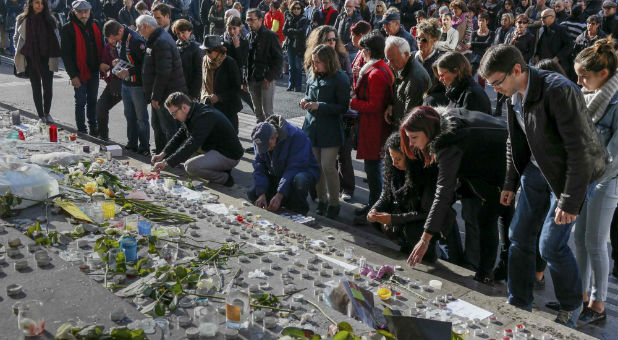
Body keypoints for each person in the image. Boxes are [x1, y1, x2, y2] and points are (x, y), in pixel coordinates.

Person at [479, 44, 606, 327]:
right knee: (518, 236)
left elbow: (580, 150)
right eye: (491, 84)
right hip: (536, 172)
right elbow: (515, 140)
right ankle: (519, 302)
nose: (495, 89)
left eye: (498, 82)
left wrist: (570, 201)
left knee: (550, 246)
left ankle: (571, 305)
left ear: (517, 70)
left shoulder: (558, 90)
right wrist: (510, 181)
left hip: (569, 177)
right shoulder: (512, 94)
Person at [401, 106, 508, 284]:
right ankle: (501, 266)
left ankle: (486, 273)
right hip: (488, 162)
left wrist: (425, 239)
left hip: (501, 166)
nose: (411, 143)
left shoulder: (447, 144)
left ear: (428, 131)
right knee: (497, 216)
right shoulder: (441, 124)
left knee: (490, 217)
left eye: (414, 137)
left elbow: (443, 192)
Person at [572, 37, 618, 325]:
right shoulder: (588, 96)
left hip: (606, 181)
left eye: (583, 76)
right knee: (579, 239)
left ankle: (598, 304)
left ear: (603, 74)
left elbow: (614, 158)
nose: (578, 81)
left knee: (596, 243)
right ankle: (579, 296)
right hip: (585, 178)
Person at [368, 132, 441, 258]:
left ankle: (429, 250)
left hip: (425, 219)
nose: (394, 163)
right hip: (405, 212)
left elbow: (425, 213)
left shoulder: (426, 173)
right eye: (391, 157)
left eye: (399, 159)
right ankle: (405, 243)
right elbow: (386, 195)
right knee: (375, 219)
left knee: (412, 231)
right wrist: (375, 209)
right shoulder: (393, 168)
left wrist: (392, 218)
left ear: (410, 157)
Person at [301, 44, 350, 218]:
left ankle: (334, 204)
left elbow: (343, 107)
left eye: (318, 62)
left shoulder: (340, 78)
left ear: (328, 62)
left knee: (328, 166)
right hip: (312, 127)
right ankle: (322, 200)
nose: (315, 66)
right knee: (316, 168)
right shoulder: (312, 74)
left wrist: (319, 106)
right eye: (313, 62)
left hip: (330, 129)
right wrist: (305, 101)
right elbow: (308, 94)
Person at [151, 92, 242, 186]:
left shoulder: (203, 116)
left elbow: (192, 144)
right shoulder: (192, 111)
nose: (174, 117)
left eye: (174, 113)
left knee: (190, 166)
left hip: (229, 154)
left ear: (184, 107)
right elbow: (179, 136)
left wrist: (166, 162)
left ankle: (224, 178)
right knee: (182, 154)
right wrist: (162, 154)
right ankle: (216, 167)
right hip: (213, 148)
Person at [350, 31, 394, 220]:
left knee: (373, 169)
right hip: (373, 126)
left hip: (374, 127)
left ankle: (374, 206)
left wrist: (352, 103)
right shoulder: (378, 68)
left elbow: (375, 106)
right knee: (373, 168)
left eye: (362, 50)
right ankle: (374, 203)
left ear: (368, 51)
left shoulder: (376, 73)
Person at [248, 115, 321, 215]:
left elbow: (294, 168)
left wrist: (279, 194)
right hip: (280, 173)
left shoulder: (296, 136)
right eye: (263, 147)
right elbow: (259, 166)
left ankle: (300, 210)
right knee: (253, 193)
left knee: (300, 180)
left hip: (302, 172)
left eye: (268, 145)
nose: (266, 149)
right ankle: (281, 203)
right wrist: (262, 193)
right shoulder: (259, 137)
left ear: (276, 135)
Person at [138, 14, 188, 153]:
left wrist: (156, 96)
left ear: (146, 27)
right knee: (157, 124)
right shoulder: (156, 39)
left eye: (139, 28)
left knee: (168, 126)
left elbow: (163, 73)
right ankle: (161, 151)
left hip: (166, 93)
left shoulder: (161, 41)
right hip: (161, 92)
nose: (138, 32)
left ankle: (171, 155)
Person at [103, 20, 150, 154]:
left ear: (120, 31)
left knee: (141, 118)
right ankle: (132, 144)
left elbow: (145, 65)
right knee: (129, 115)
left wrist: (129, 71)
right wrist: (117, 61)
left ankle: (144, 147)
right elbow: (125, 56)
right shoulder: (121, 38)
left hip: (137, 85)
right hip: (125, 83)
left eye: (114, 38)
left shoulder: (135, 40)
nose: (113, 41)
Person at [13, 0, 61, 124]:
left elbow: (57, 37)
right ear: (31, 4)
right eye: (37, 3)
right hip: (30, 57)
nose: (39, 6)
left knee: (48, 87)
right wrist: (20, 51)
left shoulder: (50, 19)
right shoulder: (22, 19)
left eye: (41, 3)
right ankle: (41, 116)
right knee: (36, 88)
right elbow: (16, 37)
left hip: (47, 57)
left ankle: (47, 113)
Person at [61, 0, 104, 136]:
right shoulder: (68, 28)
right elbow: (66, 55)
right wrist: (73, 75)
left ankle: (93, 126)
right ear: (75, 12)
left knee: (92, 100)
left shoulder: (96, 24)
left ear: (90, 11)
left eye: (86, 11)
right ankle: (81, 129)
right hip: (79, 72)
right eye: (80, 12)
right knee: (80, 102)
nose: (84, 14)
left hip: (94, 70)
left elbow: (102, 46)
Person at [384, 36, 431, 130]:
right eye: (387, 59)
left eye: (392, 60)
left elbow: (410, 118)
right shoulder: (399, 65)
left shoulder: (416, 78)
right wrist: (391, 104)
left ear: (406, 55)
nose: (389, 64)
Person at [245, 8, 283, 123]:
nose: (249, 23)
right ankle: (260, 137)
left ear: (260, 20)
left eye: (252, 20)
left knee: (268, 112)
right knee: (258, 112)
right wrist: (245, 78)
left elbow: (279, 59)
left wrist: (269, 77)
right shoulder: (248, 36)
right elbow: (246, 60)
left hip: (266, 78)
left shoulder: (270, 36)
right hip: (252, 78)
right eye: (247, 20)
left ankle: (273, 137)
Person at [200, 35, 242, 132]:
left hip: (227, 108)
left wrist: (219, 97)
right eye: (205, 51)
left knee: (229, 137)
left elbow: (236, 88)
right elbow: (203, 83)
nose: (207, 53)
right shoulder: (205, 60)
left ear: (218, 50)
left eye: (209, 51)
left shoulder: (229, 63)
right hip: (209, 106)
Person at [415, 18, 448, 107]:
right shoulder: (412, 57)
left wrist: (430, 99)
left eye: (424, 40)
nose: (420, 42)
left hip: (430, 105)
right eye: (418, 38)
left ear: (434, 40)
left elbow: (444, 90)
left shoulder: (440, 61)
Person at [223, 15, 253, 111]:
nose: (231, 31)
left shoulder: (244, 42)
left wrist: (237, 47)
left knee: (248, 98)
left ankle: (261, 117)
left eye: (234, 28)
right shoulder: (222, 41)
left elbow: (241, 62)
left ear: (239, 28)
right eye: (229, 28)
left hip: (237, 75)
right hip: (224, 75)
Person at [173, 19, 203, 100]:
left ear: (189, 31)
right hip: (177, 87)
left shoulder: (196, 48)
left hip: (190, 90)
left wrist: (194, 94)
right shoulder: (175, 46)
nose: (180, 35)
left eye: (183, 32)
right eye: (178, 33)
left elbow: (199, 73)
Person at [282, 1, 308, 92]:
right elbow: (284, 31)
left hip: (299, 46)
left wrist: (291, 31)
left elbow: (302, 31)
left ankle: (298, 86)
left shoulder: (304, 19)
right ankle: (290, 85)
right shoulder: (288, 17)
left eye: (298, 8)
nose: (296, 10)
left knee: (297, 66)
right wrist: (294, 31)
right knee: (291, 66)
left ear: (301, 9)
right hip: (290, 45)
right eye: (294, 8)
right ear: (291, 9)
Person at [470, 12, 494, 78]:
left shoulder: (491, 33)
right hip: (475, 57)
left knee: (481, 77)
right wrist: (472, 44)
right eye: (479, 20)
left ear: (487, 22)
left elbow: (487, 44)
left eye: (483, 21)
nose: (481, 23)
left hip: (485, 56)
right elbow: (471, 47)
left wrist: (473, 44)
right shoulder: (474, 33)